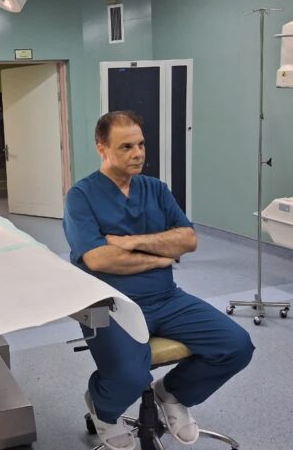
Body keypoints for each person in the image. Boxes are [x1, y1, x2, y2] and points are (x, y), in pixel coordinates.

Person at [63, 111, 254, 450]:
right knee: (131, 376)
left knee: (236, 346)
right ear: (101, 148)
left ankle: (172, 393)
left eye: (141, 144)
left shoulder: (155, 189)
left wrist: (130, 242)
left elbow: (188, 239)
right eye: (126, 147)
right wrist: (161, 256)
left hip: (166, 298)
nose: (138, 153)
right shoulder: (81, 196)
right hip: (111, 306)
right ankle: (102, 408)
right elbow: (99, 259)